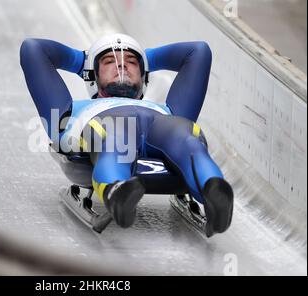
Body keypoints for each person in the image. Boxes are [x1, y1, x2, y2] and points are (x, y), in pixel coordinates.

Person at [20, 33, 233, 237]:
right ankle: (118, 192)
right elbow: (33, 49)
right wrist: (82, 60)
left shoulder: (169, 109)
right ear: (92, 75)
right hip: (107, 123)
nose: (122, 65)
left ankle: (214, 191)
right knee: (114, 140)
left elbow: (199, 51)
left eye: (131, 62)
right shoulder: (69, 111)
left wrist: (144, 57)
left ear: (143, 75)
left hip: (164, 123)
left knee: (188, 140)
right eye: (109, 61)